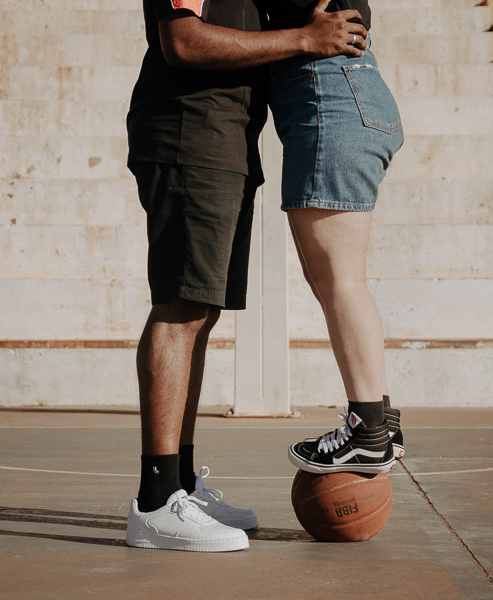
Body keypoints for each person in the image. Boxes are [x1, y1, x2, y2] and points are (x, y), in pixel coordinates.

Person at [125, 0, 369, 552]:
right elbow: (183, 41)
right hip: (188, 131)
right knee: (180, 307)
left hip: (226, 138)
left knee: (200, 314)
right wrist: (305, 39)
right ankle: (156, 498)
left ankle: (181, 482)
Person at [262, 0, 406, 475]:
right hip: (346, 90)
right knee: (336, 279)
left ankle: (367, 431)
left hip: (328, 94)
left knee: (341, 279)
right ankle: (379, 420)